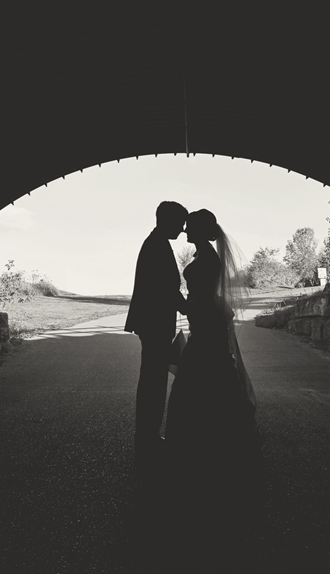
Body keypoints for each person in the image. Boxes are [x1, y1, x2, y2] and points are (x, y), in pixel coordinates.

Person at [164, 208, 263, 497]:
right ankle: (216, 439)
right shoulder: (204, 255)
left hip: (206, 322)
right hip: (204, 319)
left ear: (200, 229)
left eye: (189, 226)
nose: (185, 231)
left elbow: (203, 297)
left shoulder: (208, 258)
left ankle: (198, 443)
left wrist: (178, 300)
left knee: (200, 375)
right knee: (212, 375)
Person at [125, 201, 189, 479]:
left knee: (152, 379)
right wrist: (189, 307)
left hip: (152, 323)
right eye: (180, 223)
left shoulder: (156, 243)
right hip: (154, 323)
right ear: (168, 220)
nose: (183, 229)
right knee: (153, 381)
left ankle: (148, 435)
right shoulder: (157, 246)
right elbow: (166, 287)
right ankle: (147, 439)